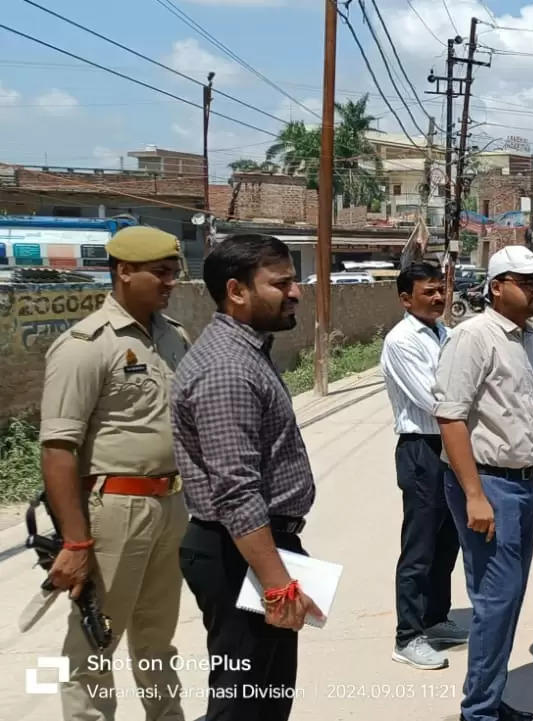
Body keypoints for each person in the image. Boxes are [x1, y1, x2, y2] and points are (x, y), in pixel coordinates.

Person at [38, 226, 190, 721]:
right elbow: (59, 448)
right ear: (124, 271)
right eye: (161, 273)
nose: (170, 282)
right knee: (92, 645)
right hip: (114, 512)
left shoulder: (173, 336)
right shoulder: (85, 345)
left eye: (173, 273)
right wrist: (76, 544)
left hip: (170, 505)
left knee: (157, 639)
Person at [173, 233, 322, 721]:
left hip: (255, 550)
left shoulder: (247, 351)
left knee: (266, 700)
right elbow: (236, 490)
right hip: (238, 553)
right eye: (280, 283)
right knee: (242, 703)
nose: (295, 291)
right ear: (237, 291)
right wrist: (276, 582)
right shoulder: (227, 368)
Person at [434, 245, 533, 721]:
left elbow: (519, 418)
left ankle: (488, 698)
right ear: (496, 287)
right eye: (525, 281)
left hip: (519, 483)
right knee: (494, 601)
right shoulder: (474, 337)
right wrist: (474, 494)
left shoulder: (526, 338)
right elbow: (450, 417)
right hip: (487, 485)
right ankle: (479, 712)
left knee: (505, 604)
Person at [381, 262, 469, 671]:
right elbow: (432, 398)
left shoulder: (446, 333)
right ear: (405, 299)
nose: (437, 298)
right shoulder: (402, 340)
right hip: (423, 447)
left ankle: (435, 618)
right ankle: (408, 634)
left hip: (453, 445)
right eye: (427, 293)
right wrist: (466, 403)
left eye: (440, 291)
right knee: (419, 545)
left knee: (448, 538)